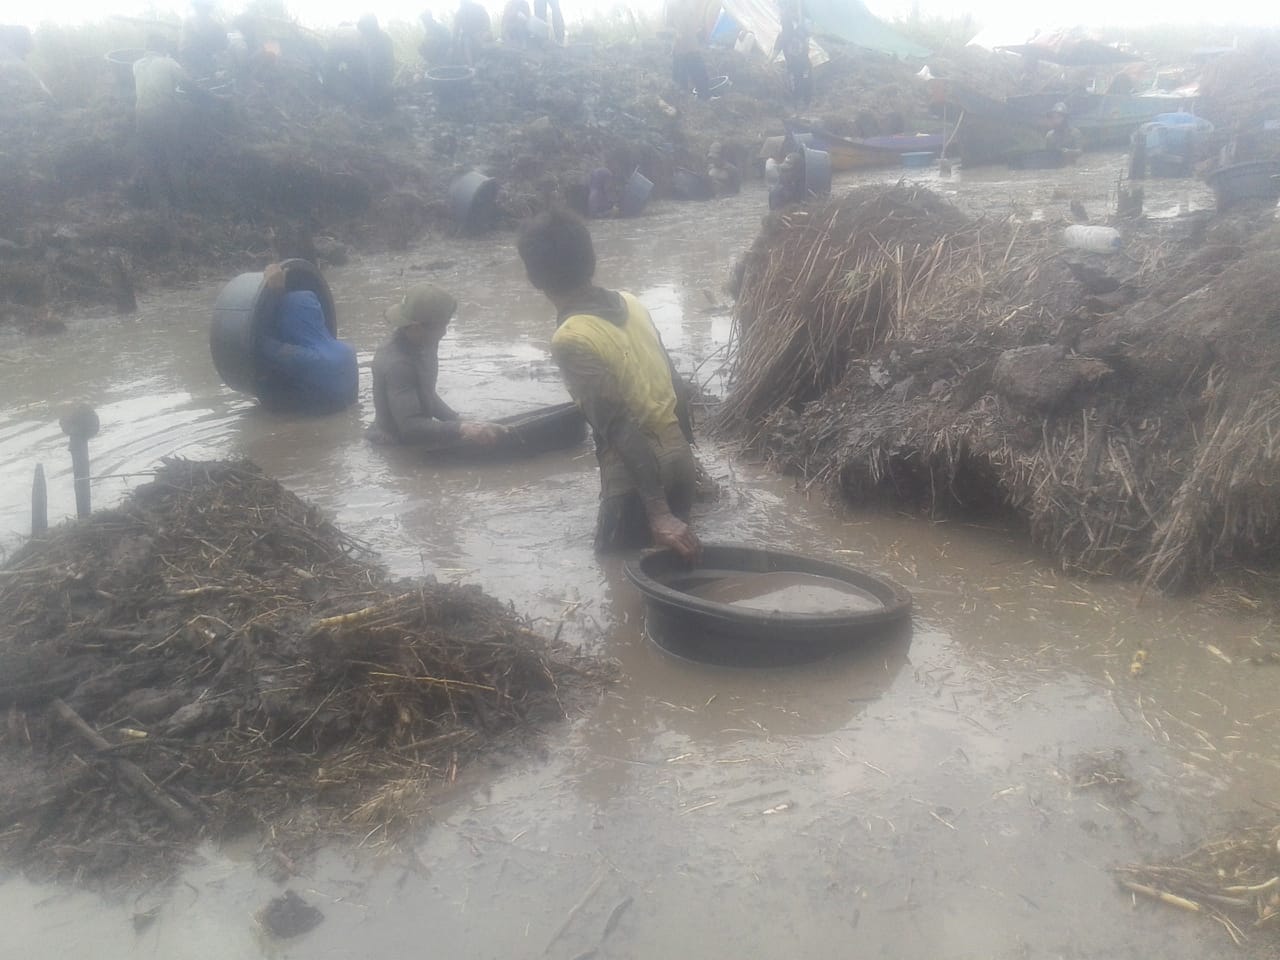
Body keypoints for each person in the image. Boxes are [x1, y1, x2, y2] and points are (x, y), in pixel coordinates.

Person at [517, 209, 701, 560]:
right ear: (592, 259)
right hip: (680, 458)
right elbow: (675, 383)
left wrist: (658, 511)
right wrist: (684, 451)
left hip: (637, 476)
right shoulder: (632, 303)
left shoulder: (570, 338)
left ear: (533, 278)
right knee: (674, 571)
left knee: (616, 576)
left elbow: (618, 426)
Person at [368, 284, 507, 448]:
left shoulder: (424, 342)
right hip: (393, 445)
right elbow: (409, 427)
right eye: (443, 325)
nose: (445, 332)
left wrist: (460, 421)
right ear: (417, 327)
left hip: (418, 434)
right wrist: (460, 428)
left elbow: (427, 395)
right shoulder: (397, 364)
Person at [255, 264, 359, 414]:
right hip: (344, 411)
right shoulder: (348, 350)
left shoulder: (302, 356)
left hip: (320, 418)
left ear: (287, 321)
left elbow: (257, 341)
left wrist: (275, 293)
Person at [132, 39, 192, 207]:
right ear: (163, 48)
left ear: (146, 48)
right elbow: (187, 83)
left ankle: (159, 204)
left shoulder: (136, 65)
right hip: (164, 115)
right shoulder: (168, 63)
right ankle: (183, 203)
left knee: (152, 159)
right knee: (174, 158)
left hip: (142, 117)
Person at [667, 0, 710, 99]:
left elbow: (697, 24)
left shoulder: (692, 3)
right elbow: (668, 26)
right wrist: (676, 34)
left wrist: (699, 30)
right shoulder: (672, 4)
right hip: (680, 50)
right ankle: (685, 103)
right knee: (680, 83)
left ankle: (705, 101)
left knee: (702, 79)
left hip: (693, 47)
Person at [772, 1, 811, 108]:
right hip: (797, 66)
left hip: (801, 66)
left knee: (804, 86)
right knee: (799, 86)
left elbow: (807, 46)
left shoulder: (798, 31)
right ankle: (800, 106)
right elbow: (774, 53)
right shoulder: (788, 34)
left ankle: (803, 106)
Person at [178, 0, 227, 79]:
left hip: (211, 65)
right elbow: (183, 48)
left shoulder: (215, 25)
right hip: (193, 64)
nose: (202, 11)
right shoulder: (188, 23)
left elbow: (222, 46)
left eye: (205, 8)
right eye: (199, 8)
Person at [453, 0, 492, 66]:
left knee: (482, 45)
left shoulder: (479, 8)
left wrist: (484, 33)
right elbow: (456, 32)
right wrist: (454, 46)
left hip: (481, 35)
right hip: (467, 39)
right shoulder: (459, 13)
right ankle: (471, 66)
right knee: (466, 41)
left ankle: (484, 63)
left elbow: (487, 23)